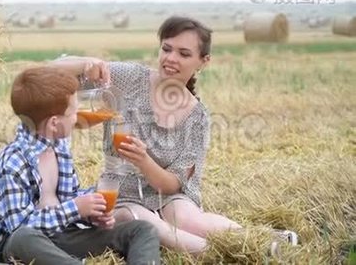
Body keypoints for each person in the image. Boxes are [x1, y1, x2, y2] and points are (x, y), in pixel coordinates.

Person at [49, 16, 298, 254]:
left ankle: (265, 239)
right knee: (153, 227)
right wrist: (86, 63)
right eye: (167, 49)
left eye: (184, 53)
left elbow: (173, 184)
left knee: (191, 222)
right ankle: (229, 254)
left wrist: (143, 160)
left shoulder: (198, 117)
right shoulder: (128, 78)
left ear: (204, 61)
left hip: (170, 195)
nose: (171, 58)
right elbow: (50, 73)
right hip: (121, 193)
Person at [0, 66, 161, 265]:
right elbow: (19, 226)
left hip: (64, 235)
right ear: (54, 124)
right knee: (22, 238)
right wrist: (75, 208)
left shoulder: (60, 147)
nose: (78, 117)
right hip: (24, 245)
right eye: (74, 112)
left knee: (143, 229)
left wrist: (91, 215)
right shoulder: (13, 161)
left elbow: (69, 199)